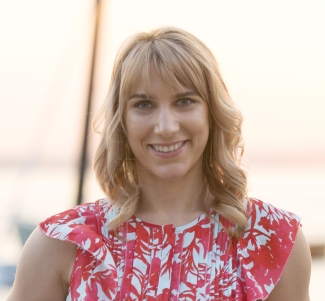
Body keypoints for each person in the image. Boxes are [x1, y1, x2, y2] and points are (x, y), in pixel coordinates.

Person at [7, 27, 311, 301]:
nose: (165, 126)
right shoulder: (62, 243)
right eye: (144, 105)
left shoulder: (274, 238)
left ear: (212, 113)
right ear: (121, 121)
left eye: (184, 101)